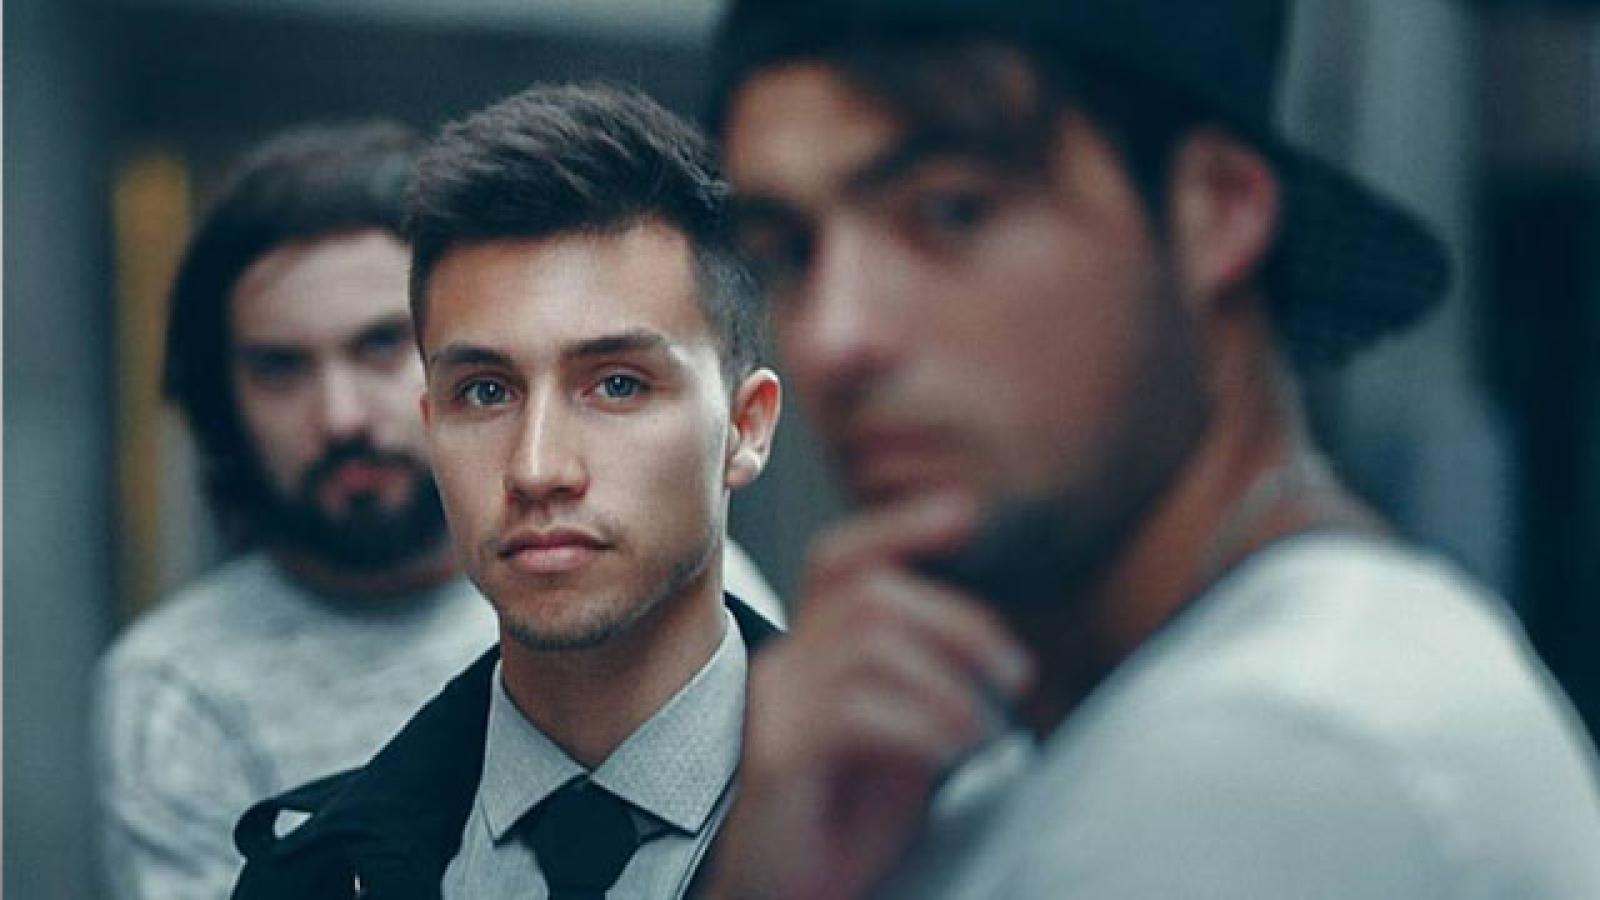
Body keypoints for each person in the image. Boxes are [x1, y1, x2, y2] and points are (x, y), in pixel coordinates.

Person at [698, 0, 1600, 897]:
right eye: (789, 251)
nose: (835, 337)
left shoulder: (1283, 748)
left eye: (951, 211)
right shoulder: (1008, 760)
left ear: (1217, 209)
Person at [94, 120, 783, 900]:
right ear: (434, 425)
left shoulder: (888, 825)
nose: (537, 468)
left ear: (746, 426)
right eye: (485, 392)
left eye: (617, 385)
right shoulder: (307, 861)